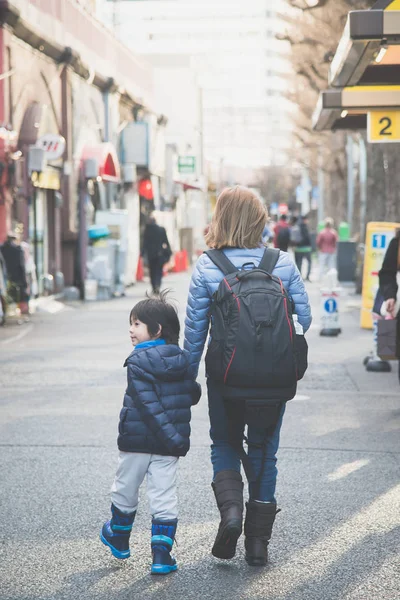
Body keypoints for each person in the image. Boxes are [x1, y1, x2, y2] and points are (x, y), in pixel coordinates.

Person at [184, 186, 311, 567]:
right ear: (261, 220)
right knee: (264, 451)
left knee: (223, 443)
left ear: (219, 218)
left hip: (225, 378)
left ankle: (231, 515)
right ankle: (258, 543)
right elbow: (305, 319)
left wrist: (188, 379)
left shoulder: (209, 265)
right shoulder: (282, 263)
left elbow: (195, 333)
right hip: (274, 380)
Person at [100, 294, 201, 574]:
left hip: (136, 441)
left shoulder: (138, 360)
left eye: (136, 324)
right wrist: (173, 437)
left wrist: (167, 434)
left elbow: (146, 404)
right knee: (164, 496)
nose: (131, 330)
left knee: (125, 489)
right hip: (170, 445)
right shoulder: (181, 360)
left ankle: (119, 537)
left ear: (156, 330)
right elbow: (192, 394)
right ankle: (160, 556)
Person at [142, 216, 172, 294]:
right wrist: (169, 251)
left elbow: (144, 243)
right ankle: (158, 285)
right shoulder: (161, 229)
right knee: (158, 271)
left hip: (150, 254)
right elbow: (166, 242)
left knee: (152, 271)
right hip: (159, 254)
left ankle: (154, 286)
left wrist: (142, 253)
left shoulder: (147, 230)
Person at [0, 232, 28, 312]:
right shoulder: (18, 250)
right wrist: (24, 282)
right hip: (15, 277)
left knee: (4, 295)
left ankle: (5, 311)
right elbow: (21, 267)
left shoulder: (1, 249)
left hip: (5, 276)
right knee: (14, 296)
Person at [293, 216, 313, 282]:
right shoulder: (305, 227)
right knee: (309, 262)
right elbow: (307, 238)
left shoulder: (296, 227)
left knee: (299, 263)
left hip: (298, 248)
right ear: (305, 220)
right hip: (306, 248)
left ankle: (300, 277)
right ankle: (307, 276)